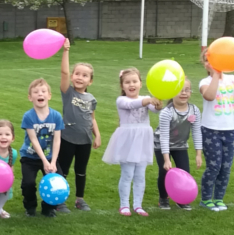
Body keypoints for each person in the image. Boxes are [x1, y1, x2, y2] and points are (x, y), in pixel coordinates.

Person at [102, 68, 162, 216]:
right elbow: (132, 105)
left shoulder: (146, 99)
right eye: (127, 82)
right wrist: (149, 100)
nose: (131, 84)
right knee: (127, 173)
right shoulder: (121, 100)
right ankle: (124, 205)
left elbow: (155, 110)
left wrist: (157, 103)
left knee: (140, 175)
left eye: (135, 81)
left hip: (142, 140)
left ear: (140, 83)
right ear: (122, 86)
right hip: (128, 141)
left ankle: (138, 205)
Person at [199, 50, 234, 211]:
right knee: (214, 167)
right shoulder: (204, 81)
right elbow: (209, 96)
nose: (210, 63)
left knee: (226, 167)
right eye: (207, 61)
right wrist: (216, 74)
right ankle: (206, 199)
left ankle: (219, 199)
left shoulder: (233, 79)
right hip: (211, 130)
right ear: (204, 64)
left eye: (214, 60)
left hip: (230, 130)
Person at [57, 38, 101, 213]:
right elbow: (64, 73)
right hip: (67, 139)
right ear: (72, 76)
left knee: (81, 171)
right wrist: (66, 51)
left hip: (85, 140)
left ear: (90, 81)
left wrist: (97, 135)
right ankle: (59, 200)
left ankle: (79, 200)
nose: (80, 77)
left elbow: (92, 118)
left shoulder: (91, 99)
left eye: (84, 75)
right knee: (63, 170)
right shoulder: (68, 93)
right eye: (77, 74)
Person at [153, 78, 202, 210]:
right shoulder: (167, 112)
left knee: (184, 172)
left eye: (187, 90)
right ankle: (163, 198)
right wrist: (166, 159)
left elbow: (197, 132)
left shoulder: (194, 110)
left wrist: (198, 154)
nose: (184, 93)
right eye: (180, 90)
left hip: (180, 145)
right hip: (161, 145)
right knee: (164, 171)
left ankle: (181, 199)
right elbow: (164, 137)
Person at [19, 79, 64, 218]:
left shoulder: (56, 116)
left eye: (43, 91)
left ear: (49, 95)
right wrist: (44, 161)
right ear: (30, 97)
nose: (40, 94)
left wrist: (53, 162)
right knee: (28, 183)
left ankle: (48, 208)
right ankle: (30, 206)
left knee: (57, 181)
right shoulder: (28, 116)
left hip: (50, 157)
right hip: (30, 157)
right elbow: (33, 140)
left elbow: (57, 140)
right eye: (36, 92)